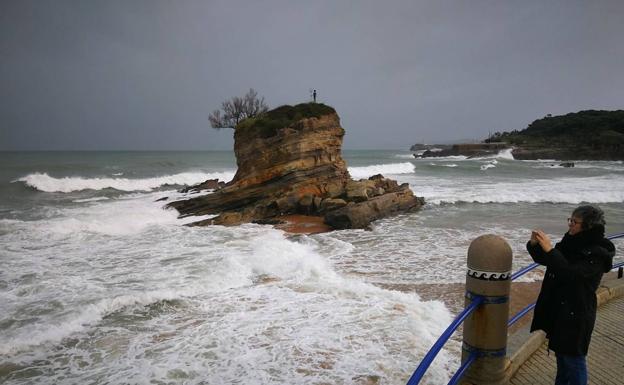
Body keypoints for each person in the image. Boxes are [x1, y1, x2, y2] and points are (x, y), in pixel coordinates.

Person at [528, 205, 615, 385]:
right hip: (561, 309)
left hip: (577, 313)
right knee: (562, 358)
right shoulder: (571, 241)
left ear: (588, 226)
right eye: (570, 220)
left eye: (574, 222)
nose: (570, 225)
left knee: (574, 361)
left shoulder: (598, 252)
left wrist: (550, 250)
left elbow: (570, 273)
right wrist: (535, 246)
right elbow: (549, 261)